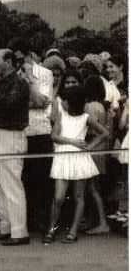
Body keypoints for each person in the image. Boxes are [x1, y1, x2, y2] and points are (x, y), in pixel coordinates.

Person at [43, 85, 109, 244]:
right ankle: (52, 228)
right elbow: (54, 136)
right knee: (58, 197)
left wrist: (90, 147)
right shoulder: (61, 115)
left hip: (79, 159)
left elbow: (105, 133)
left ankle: (73, 231)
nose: (63, 102)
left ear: (71, 102)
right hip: (63, 157)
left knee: (79, 196)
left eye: (65, 100)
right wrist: (72, 141)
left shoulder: (86, 117)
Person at [0, 49, 30, 246]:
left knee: (10, 182)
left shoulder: (20, 83)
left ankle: (19, 231)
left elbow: (9, 104)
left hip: (10, 134)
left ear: (8, 62)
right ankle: (7, 226)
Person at [12, 40, 54, 232]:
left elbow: (41, 101)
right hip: (21, 131)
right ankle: (27, 222)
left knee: (43, 179)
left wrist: (29, 79)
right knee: (23, 178)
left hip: (41, 131)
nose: (19, 62)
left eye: (21, 58)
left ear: (30, 55)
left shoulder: (45, 74)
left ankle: (44, 221)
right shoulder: (13, 74)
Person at [83, 75, 111, 235]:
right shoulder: (101, 105)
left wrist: (90, 146)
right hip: (101, 150)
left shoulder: (91, 106)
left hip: (95, 148)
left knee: (93, 188)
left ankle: (101, 222)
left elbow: (96, 130)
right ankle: (96, 220)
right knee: (94, 187)